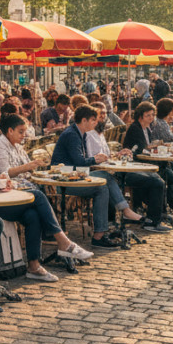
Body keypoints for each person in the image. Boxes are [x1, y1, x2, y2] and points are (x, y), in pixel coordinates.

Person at [0, 115, 93, 281]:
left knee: (32, 215)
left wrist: (2, 181)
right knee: (37, 196)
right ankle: (63, 242)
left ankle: (33, 265)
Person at [51, 105, 136, 245]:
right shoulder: (72, 134)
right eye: (93, 120)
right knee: (102, 183)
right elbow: (80, 161)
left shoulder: (79, 133)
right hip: (64, 182)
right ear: (84, 120)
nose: (95, 123)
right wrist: (95, 159)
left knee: (104, 181)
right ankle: (107, 227)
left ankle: (102, 232)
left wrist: (98, 158)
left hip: (74, 177)